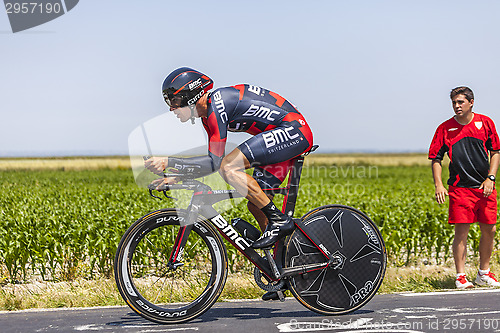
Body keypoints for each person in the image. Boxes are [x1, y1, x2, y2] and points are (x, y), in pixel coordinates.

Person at [145, 67, 313, 298]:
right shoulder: (207, 117)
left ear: (191, 95)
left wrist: (170, 161)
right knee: (256, 202)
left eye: (174, 101)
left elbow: (216, 163)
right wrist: (177, 175)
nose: (171, 108)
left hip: (293, 130)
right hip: (283, 135)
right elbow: (209, 162)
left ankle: (279, 221)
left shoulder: (217, 105)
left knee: (228, 166)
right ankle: (281, 271)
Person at [429, 86, 500, 289]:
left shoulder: (485, 123)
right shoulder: (445, 128)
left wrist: (491, 178)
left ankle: (483, 274)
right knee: (462, 231)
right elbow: (436, 158)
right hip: (460, 189)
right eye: (454, 102)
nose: (457, 106)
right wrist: (439, 184)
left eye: (460, 102)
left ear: (471, 102)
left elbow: (495, 151)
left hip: (485, 187)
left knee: (490, 229)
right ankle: (461, 276)